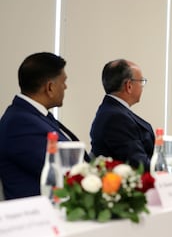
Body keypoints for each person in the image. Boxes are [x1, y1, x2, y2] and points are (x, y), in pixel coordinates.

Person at [0, 52, 83, 200]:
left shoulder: (33, 116)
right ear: (50, 87)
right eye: (63, 82)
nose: (66, 87)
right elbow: (63, 172)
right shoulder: (20, 123)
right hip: (38, 216)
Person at [89, 59, 155, 171]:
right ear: (129, 85)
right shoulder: (116, 118)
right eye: (141, 81)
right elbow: (138, 164)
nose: (142, 87)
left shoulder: (113, 110)